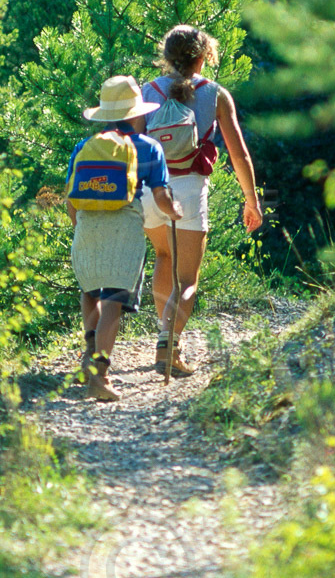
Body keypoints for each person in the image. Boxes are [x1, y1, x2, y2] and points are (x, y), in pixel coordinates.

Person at [141, 25, 263, 375]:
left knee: (163, 256)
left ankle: (164, 335)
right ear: (203, 56)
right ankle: (169, 343)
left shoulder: (146, 91)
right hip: (189, 191)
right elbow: (239, 155)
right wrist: (251, 200)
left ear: (167, 57)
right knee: (188, 279)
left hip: (152, 189)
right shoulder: (216, 95)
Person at [65, 75, 184, 403]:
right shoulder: (148, 148)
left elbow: (70, 199)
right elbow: (160, 198)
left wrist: (80, 225)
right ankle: (99, 376)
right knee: (114, 301)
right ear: (135, 114)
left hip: (87, 225)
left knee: (91, 290)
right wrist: (173, 211)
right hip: (124, 228)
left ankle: (88, 358)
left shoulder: (85, 147)